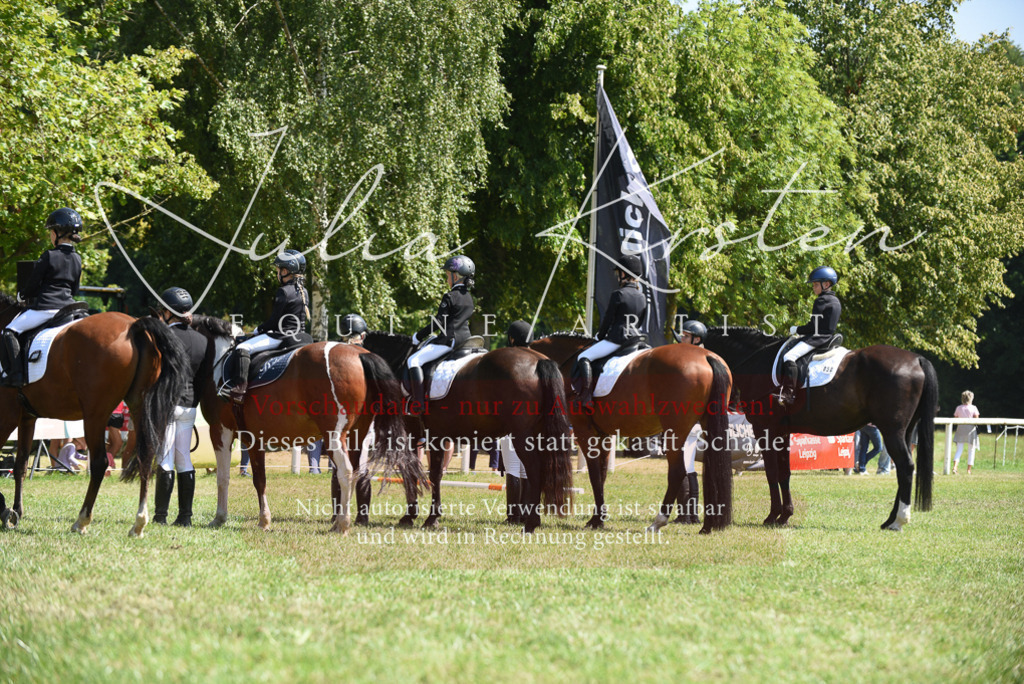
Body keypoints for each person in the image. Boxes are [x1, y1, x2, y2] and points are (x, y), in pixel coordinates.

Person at [1, 208, 83, 387]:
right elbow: (75, 289)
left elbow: (33, 285)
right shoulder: (78, 259)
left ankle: (16, 375)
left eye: (50, 232)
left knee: (9, 331)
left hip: (47, 308)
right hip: (68, 308)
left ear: (56, 233)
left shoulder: (49, 256)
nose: (50, 236)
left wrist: (22, 295)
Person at [221, 249, 310, 403]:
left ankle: (239, 390)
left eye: (278, 270)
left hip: (282, 335)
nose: (277, 274)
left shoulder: (283, 291)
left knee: (242, 348)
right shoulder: (304, 291)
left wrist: (258, 329)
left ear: (286, 271)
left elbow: (274, 321)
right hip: (300, 335)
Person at [153, 287, 208, 526]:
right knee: (184, 458)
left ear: (167, 311)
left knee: (165, 458)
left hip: (167, 403)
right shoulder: (202, 340)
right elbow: (202, 378)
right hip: (189, 406)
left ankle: (160, 516)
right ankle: (185, 517)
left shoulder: (162, 336)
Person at [573, 254, 647, 405]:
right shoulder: (642, 297)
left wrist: (600, 336)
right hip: (635, 340)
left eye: (619, 273)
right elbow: (640, 321)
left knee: (584, 357)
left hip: (617, 339)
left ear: (624, 273)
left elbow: (608, 320)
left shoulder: (618, 294)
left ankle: (586, 396)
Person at [407, 255, 475, 414]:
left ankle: (418, 403)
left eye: (447, 275)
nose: (446, 279)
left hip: (450, 340)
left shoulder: (450, 296)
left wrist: (419, 335)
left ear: (455, 276)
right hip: (467, 338)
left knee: (413, 360)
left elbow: (439, 321)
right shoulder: (469, 298)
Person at [779, 266, 841, 407]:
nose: (813, 287)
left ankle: (788, 393)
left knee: (789, 356)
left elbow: (813, 326)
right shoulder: (836, 301)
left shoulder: (821, 301)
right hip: (829, 337)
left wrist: (797, 329)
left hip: (817, 338)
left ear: (826, 284)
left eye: (815, 284)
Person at [673, 318, 706, 523]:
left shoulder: (691, 364)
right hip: (693, 422)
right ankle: (690, 514)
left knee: (684, 466)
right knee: (689, 466)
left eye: (685, 335)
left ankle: (687, 515)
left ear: (697, 339)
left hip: (687, 420)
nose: (682, 338)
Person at [953, 390, 981, 475]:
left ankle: (955, 467)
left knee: (959, 450)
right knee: (971, 450)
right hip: (971, 430)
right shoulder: (974, 408)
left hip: (960, 429)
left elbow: (955, 419)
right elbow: (977, 420)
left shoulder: (958, 407)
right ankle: (968, 470)